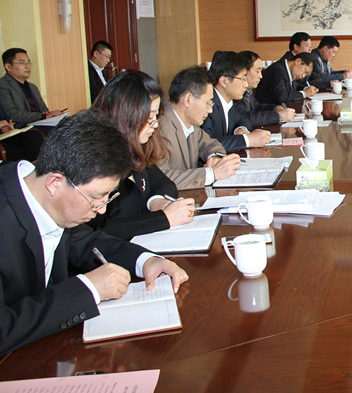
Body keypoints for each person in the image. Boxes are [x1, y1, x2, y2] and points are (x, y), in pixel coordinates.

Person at [0, 112, 188, 355]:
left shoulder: (48, 193)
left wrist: (146, 261)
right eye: (96, 198)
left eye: (108, 197)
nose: (102, 210)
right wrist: (88, 288)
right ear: (54, 183)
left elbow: (85, 240)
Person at [89, 71, 195, 240]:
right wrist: (163, 219)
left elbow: (164, 183)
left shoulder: (135, 146)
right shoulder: (96, 158)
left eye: (156, 116)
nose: (155, 125)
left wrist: (156, 201)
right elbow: (98, 229)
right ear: (126, 115)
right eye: (148, 117)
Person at [158, 66, 240, 190]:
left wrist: (214, 158)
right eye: (208, 103)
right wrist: (211, 174)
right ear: (188, 100)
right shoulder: (160, 128)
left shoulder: (190, 123)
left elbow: (211, 144)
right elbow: (161, 179)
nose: (210, 110)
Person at [202, 51, 270, 152]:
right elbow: (207, 145)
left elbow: (243, 119)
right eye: (242, 79)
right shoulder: (207, 106)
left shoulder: (230, 101)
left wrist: (240, 129)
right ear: (224, 81)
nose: (245, 85)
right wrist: (248, 140)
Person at [0, 48, 66, 127]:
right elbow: (12, 115)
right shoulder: (3, 85)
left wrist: (53, 115)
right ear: (8, 67)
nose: (27, 66)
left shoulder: (33, 87)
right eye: (22, 63)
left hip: (40, 126)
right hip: (21, 130)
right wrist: (43, 116)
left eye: (29, 62)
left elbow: (44, 111)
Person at [236, 51, 295, 127]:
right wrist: (278, 116)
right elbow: (244, 117)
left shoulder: (247, 90)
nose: (260, 76)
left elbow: (256, 107)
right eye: (257, 71)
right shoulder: (235, 92)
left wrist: (276, 108)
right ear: (243, 71)